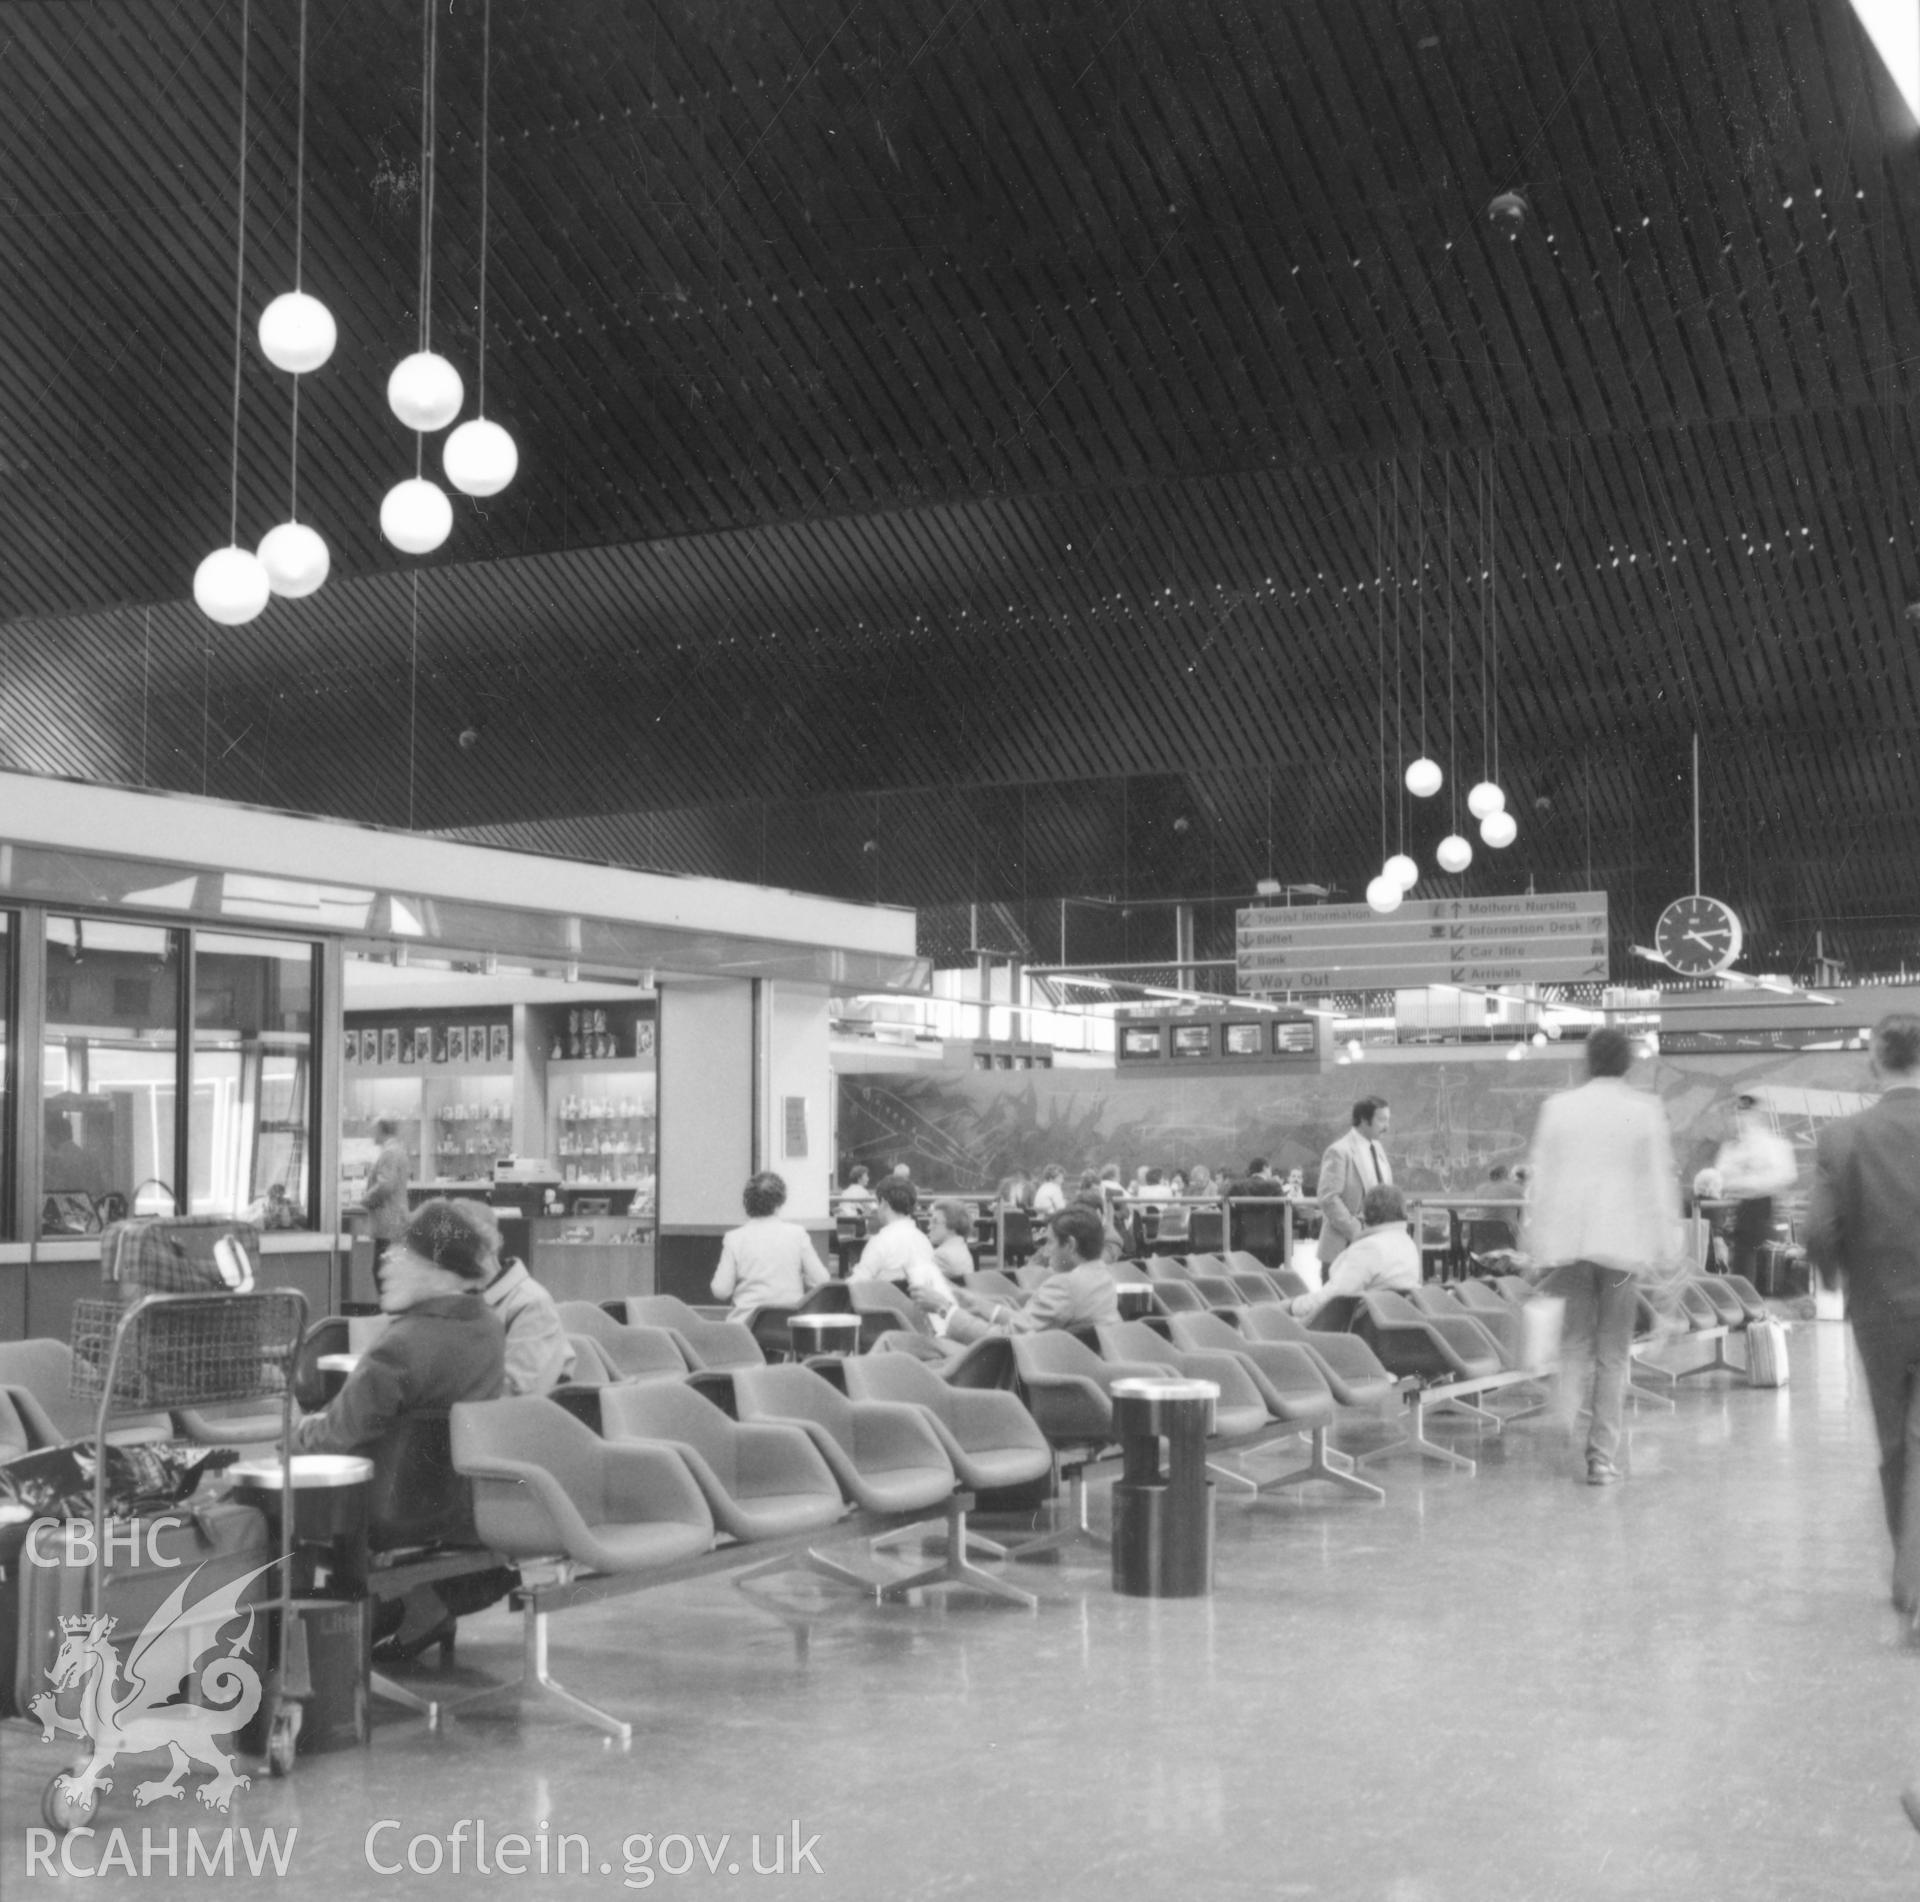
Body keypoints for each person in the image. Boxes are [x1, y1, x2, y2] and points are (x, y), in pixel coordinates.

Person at [295, 1198, 511, 1660]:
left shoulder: (401, 1345)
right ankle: (414, 1612)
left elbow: (338, 1434)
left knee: (266, 1497)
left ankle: (292, 1654)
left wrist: (288, 1439)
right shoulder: (489, 1328)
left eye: (402, 1256)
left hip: (384, 1511)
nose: (387, 1266)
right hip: (457, 1508)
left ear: (436, 1270)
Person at [1523, 1028, 1681, 1486]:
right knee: (1613, 1354)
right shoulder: (1643, 1111)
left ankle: (1563, 1412)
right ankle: (1600, 1459)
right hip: (1620, 1256)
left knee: (1573, 1343)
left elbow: (1542, 1179)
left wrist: (1536, 1245)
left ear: (1587, 1061)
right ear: (1628, 1063)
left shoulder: (1557, 1109)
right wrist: (1667, 1249)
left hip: (1569, 1250)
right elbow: (1657, 1184)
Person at [1804, 1015, 1920, 1620]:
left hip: (1881, 1312)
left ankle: (1911, 1575)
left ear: (1877, 1061)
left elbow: (1820, 1230)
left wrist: (1832, 1279)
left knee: (1898, 1444)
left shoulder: (1843, 1136)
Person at [933, 1203, 1120, 1341]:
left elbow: (1006, 1339)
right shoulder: (1103, 1277)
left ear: (1070, 1245)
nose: (1046, 1252)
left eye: (1050, 1242)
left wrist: (945, 1311)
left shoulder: (1064, 1285)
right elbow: (1032, 1323)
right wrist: (980, 1304)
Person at [463, 1200, 576, 1395]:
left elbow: (519, 1390)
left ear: (490, 1245)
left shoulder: (531, 1303)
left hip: (520, 1417)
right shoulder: (451, 1296)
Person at [1288, 1184, 1420, 1323]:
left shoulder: (1369, 1249)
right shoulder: (1407, 1244)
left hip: (1355, 1330)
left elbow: (1333, 1298)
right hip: (1388, 1326)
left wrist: (1292, 1306)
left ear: (1366, 1213)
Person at [712, 1171, 832, 1322]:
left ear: (747, 1202)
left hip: (746, 1326)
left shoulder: (734, 1238)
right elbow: (822, 1280)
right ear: (780, 1202)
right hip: (788, 1325)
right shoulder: (797, 1234)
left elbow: (721, 1291)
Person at [1713, 1094, 1797, 1284]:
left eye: (1747, 1115)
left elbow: (1784, 1175)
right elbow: (1721, 1177)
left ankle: (1756, 1302)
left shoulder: (1774, 1145)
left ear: (1758, 1116)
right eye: (1739, 1115)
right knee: (1740, 1263)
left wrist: (1745, 1180)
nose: (1742, 1120)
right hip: (1734, 1209)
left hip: (1762, 1209)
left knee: (1758, 1262)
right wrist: (1751, 1178)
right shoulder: (1731, 1147)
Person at [849, 1175, 950, 1309]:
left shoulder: (880, 1242)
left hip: (885, 1317)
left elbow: (856, 1285)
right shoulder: (924, 1241)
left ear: (884, 1203)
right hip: (919, 1318)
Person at [1317, 1101, 1393, 1270]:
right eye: (1382, 1120)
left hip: (1377, 1248)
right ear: (1364, 1120)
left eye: (1388, 1120)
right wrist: (1357, 1231)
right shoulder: (1339, 1151)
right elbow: (1328, 1198)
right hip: (1344, 1249)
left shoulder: (1378, 1148)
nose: (1387, 1127)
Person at [361, 1116, 413, 1246]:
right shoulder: (397, 1150)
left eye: (374, 1131)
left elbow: (385, 1186)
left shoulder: (389, 1153)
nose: (372, 1135)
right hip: (395, 1221)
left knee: (383, 1261)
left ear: (381, 1130)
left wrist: (366, 1200)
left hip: (388, 1222)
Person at [927, 1199, 976, 1281]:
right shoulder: (961, 1248)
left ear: (952, 1225)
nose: (929, 1227)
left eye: (935, 1222)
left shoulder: (942, 1255)